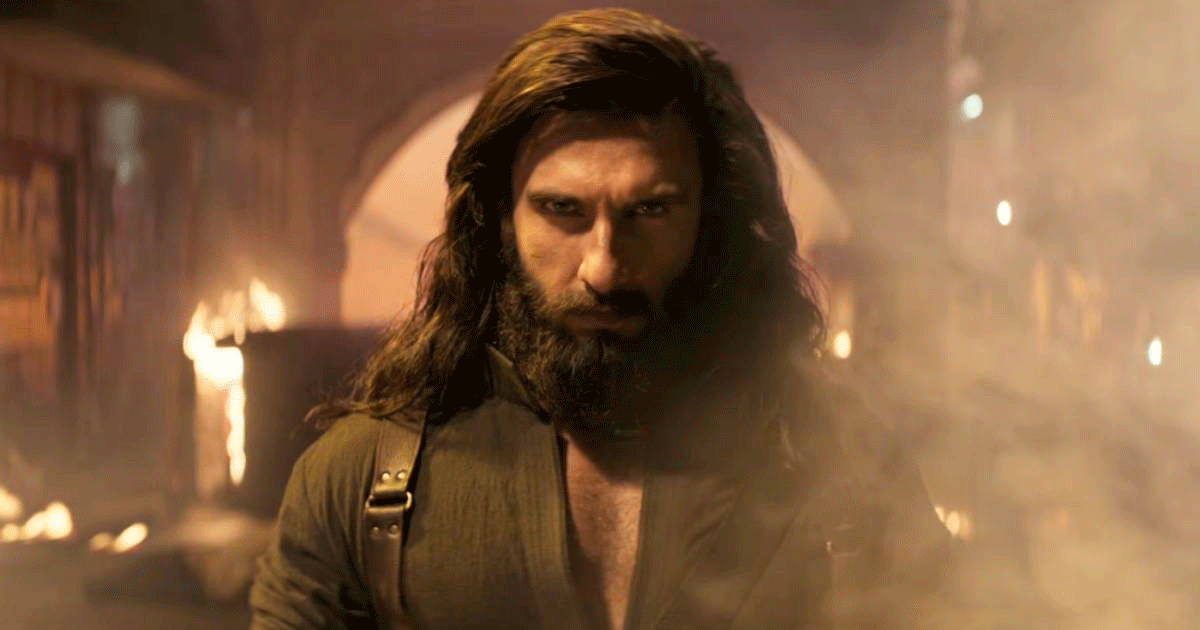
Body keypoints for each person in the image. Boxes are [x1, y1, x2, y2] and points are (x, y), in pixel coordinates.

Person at [250, 8, 958, 630]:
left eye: (650, 210)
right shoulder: (363, 482)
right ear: (498, 222)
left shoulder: (847, 463)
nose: (604, 267)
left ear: (710, 224)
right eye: (562, 210)